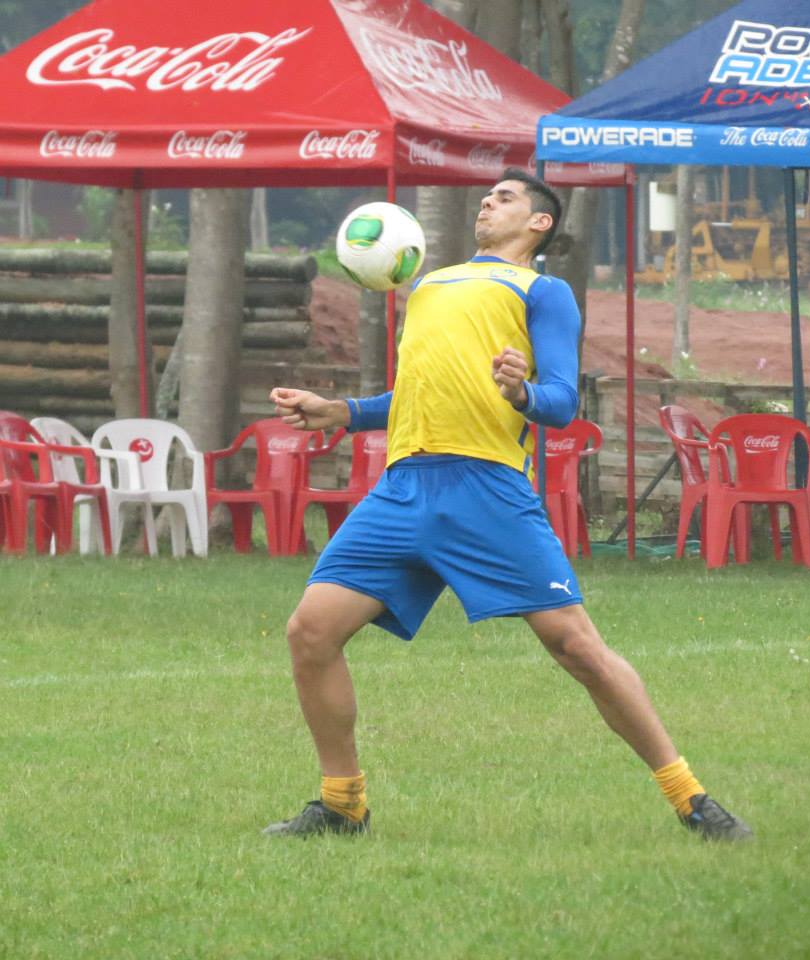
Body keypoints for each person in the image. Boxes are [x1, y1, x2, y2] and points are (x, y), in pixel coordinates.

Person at [263, 168, 752, 842]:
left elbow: (562, 402)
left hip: (486, 490)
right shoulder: (430, 286)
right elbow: (419, 393)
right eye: (487, 195)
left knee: (577, 648)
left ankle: (691, 799)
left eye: (506, 197)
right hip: (403, 488)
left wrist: (521, 393)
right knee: (310, 633)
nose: (488, 202)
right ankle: (342, 805)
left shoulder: (542, 292)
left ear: (539, 223)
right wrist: (340, 411)